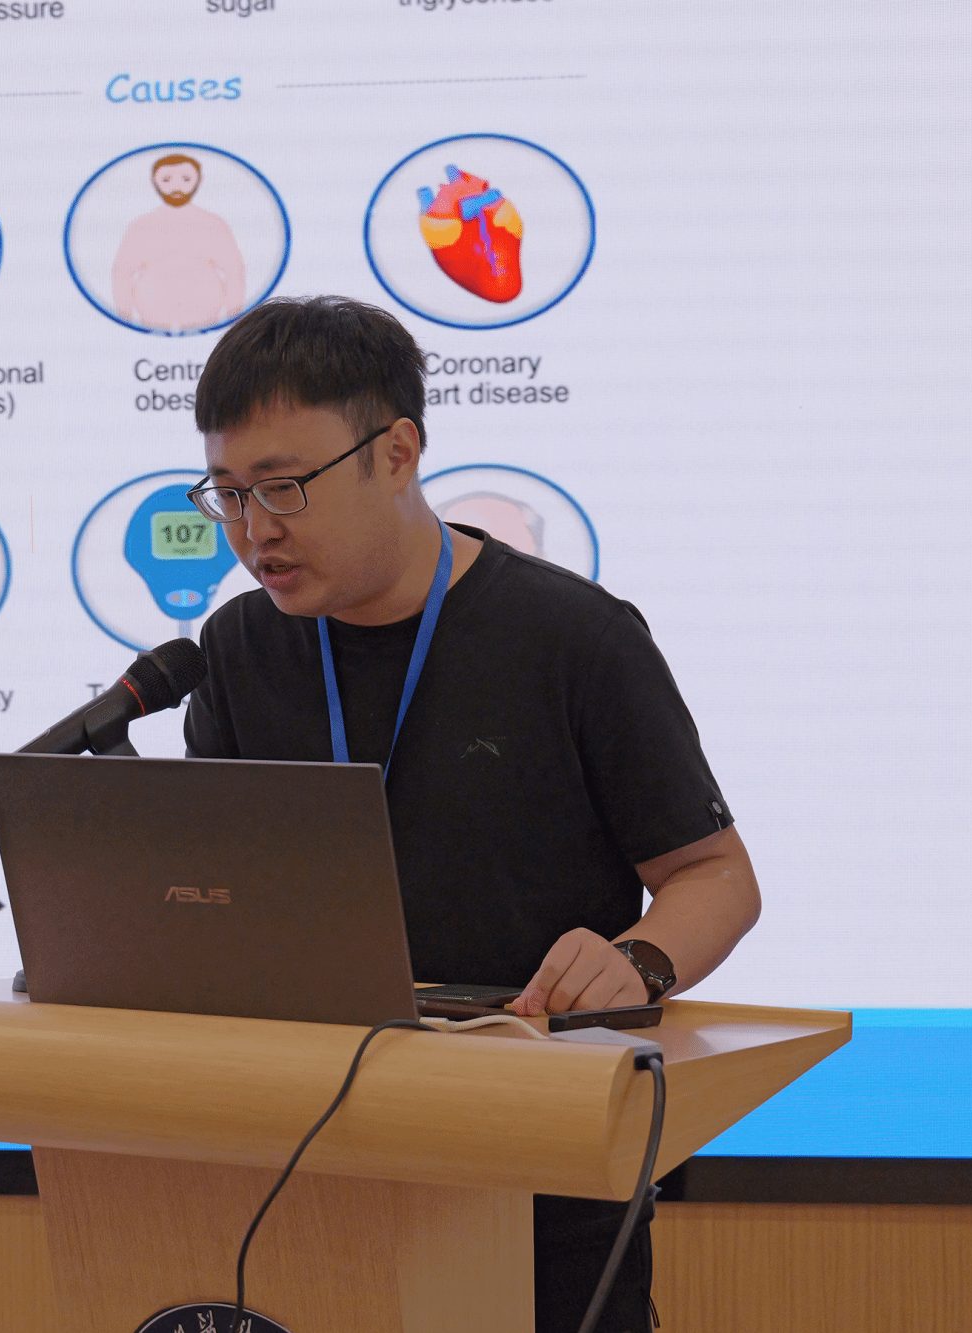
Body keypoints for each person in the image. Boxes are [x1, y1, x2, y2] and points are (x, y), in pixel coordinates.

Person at [181, 296, 761, 1332]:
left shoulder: (572, 636)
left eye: (283, 486)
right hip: (303, 1163)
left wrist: (638, 961)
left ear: (396, 452)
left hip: (541, 1159)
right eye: (227, 493)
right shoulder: (237, 650)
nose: (255, 528)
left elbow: (715, 876)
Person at [110, 153, 248, 332]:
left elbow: (234, 271)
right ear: (154, 181)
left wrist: (234, 321)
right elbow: (122, 273)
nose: (177, 187)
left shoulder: (213, 224)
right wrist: (125, 318)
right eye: (167, 179)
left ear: (199, 180)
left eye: (186, 179)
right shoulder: (142, 226)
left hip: (205, 320)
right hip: (153, 319)